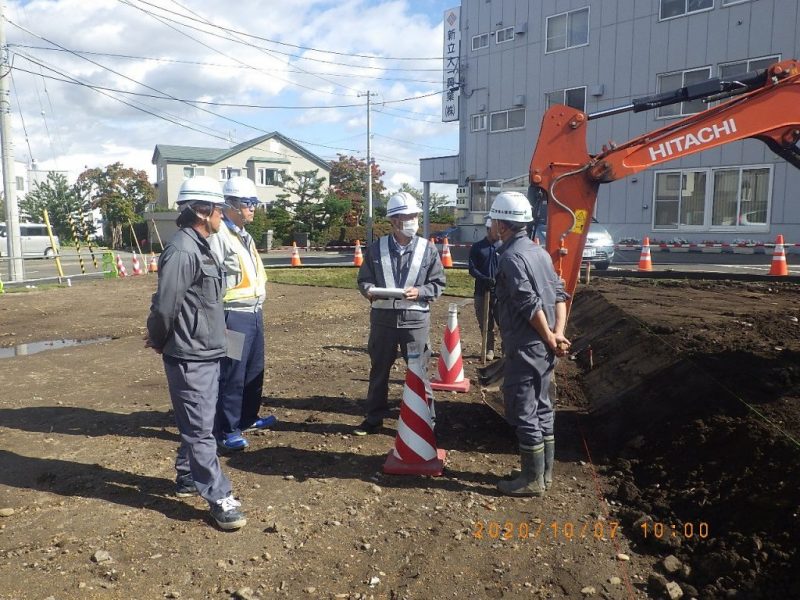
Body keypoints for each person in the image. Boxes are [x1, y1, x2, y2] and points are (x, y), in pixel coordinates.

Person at [145, 175, 246, 530]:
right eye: (219, 209)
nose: (223, 215)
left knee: (199, 422)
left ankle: (188, 476)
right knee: (201, 429)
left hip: (208, 347)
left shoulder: (202, 246)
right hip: (191, 354)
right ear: (203, 212)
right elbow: (164, 307)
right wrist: (158, 339)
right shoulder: (183, 251)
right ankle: (219, 496)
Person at [489, 191, 570, 497]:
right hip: (546, 348)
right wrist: (557, 336)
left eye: (495, 221)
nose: (493, 226)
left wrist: (549, 336)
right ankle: (542, 475)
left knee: (524, 410)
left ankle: (532, 479)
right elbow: (560, 295)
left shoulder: (511, 258)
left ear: (503, 224)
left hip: (526, 347)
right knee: (543, 407)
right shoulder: (540, 252)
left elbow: (529, 304)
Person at [355, 191, 446, 435]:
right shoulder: (377, 248)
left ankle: (427, 422)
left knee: (418, 372)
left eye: (415, 216)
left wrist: (421, 291)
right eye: (408, 217)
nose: (413, 221)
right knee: (379, 372)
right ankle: (373, 419)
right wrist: (368, 290)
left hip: (414, 323)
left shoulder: (428, 250)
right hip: (383, 322)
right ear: (394, 221)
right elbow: (363, 279)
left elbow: (438, 283)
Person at [208, 176, 276, 452]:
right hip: (233, 314)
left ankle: (248, 417)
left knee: (253, 369)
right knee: (232, 373)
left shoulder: (242, 234)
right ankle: (227, 428)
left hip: (253, 312)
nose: (253, 209)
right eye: (249, 204)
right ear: (231, 205)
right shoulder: (220, 235)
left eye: (254, 203)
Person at [468, 217, 499, 361]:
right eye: (495, 231)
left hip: (500, 293)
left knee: (504, 322)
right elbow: (472, 269)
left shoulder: (503, 247)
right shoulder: (478, 247)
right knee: (486, 323)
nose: (498, 234)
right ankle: (489, 349)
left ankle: (507, 351)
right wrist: (484, 278)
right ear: (488, 230)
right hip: (482, 291)